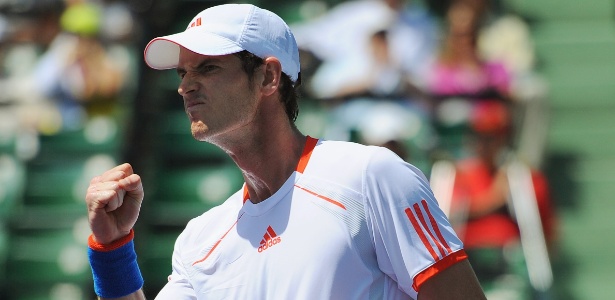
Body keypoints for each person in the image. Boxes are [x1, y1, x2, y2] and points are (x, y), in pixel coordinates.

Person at [85, 4, 486, 299]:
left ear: (268, 77)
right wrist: (113, 248)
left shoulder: (373, 176)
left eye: (207, 68)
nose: (185, 87)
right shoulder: (199, 241)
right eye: (183, 73)